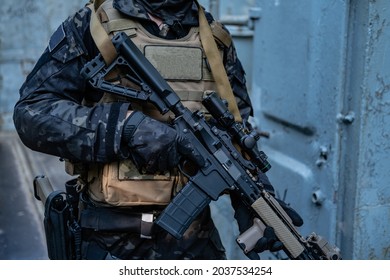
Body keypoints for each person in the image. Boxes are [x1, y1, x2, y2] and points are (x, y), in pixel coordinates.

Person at [13, 0, 303, 260]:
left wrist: (256, 200)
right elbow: (32, 112)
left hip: (195, 247)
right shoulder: (93, 25)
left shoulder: (214, 38)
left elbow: (236, 131)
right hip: (109, 241)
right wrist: (125, 127)